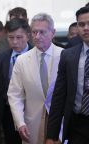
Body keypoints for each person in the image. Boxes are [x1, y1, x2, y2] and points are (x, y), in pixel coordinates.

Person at [7, 13, 63, 144]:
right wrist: (20, 122)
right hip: (31, 125)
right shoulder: (22, 60)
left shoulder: (65, 56)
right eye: (34, 32)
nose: (37, 37)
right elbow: (15, 94)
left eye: (42, 32)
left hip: (60, 123)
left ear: (53, 32)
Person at [46, 6, 89, 144]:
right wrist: (51, 136)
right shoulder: (68, 55)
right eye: (81, 24)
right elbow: (59, 97)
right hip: (78, 124)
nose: (86, 28)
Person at [0, 18, 32, 144]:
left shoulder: (36, 55)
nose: (15, 42)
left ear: (28, 36)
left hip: (31, 109)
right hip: (7, 110)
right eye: (11, 37)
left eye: (19, 37)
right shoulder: (1, 58)